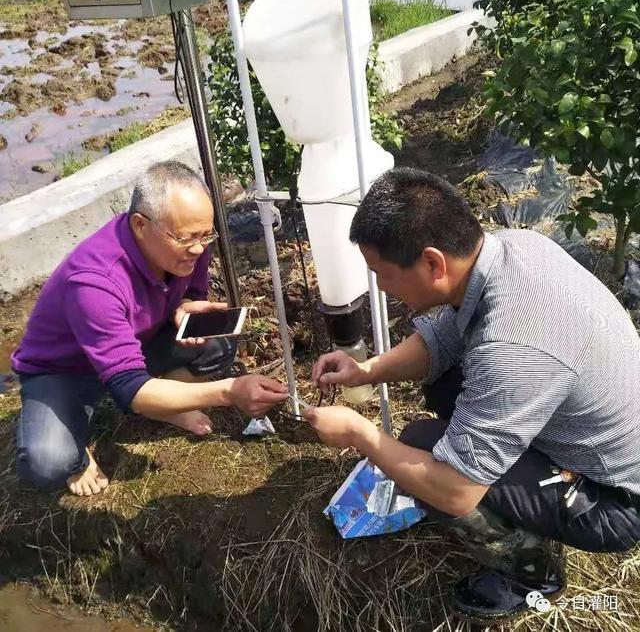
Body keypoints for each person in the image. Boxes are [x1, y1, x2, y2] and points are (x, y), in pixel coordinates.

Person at [305, 167, 640, 625]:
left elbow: (458, 492)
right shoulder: (513, 249)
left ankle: (532, 578)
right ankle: (523, 491)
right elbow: (443, 339)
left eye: (383, 274)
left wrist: (361, 435)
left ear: (432, 263)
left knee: (425, 451)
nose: (381, 287)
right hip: (587, 431)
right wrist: (366, 369)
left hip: (612, 499)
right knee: (445, 380)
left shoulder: (511, 349)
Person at [12, 161, 288, 497]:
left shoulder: (188, 241)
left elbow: (192, 291)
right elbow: (130, 388)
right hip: (65, 371)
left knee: (217, 343)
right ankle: (77, 448)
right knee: (49, 462)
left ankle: (168, 405)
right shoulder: (95, 282)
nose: (199, 248)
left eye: (206, 234)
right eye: (187, 238)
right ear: (141, 225)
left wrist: (185, 307)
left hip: (135, 343)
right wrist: (229, 392)